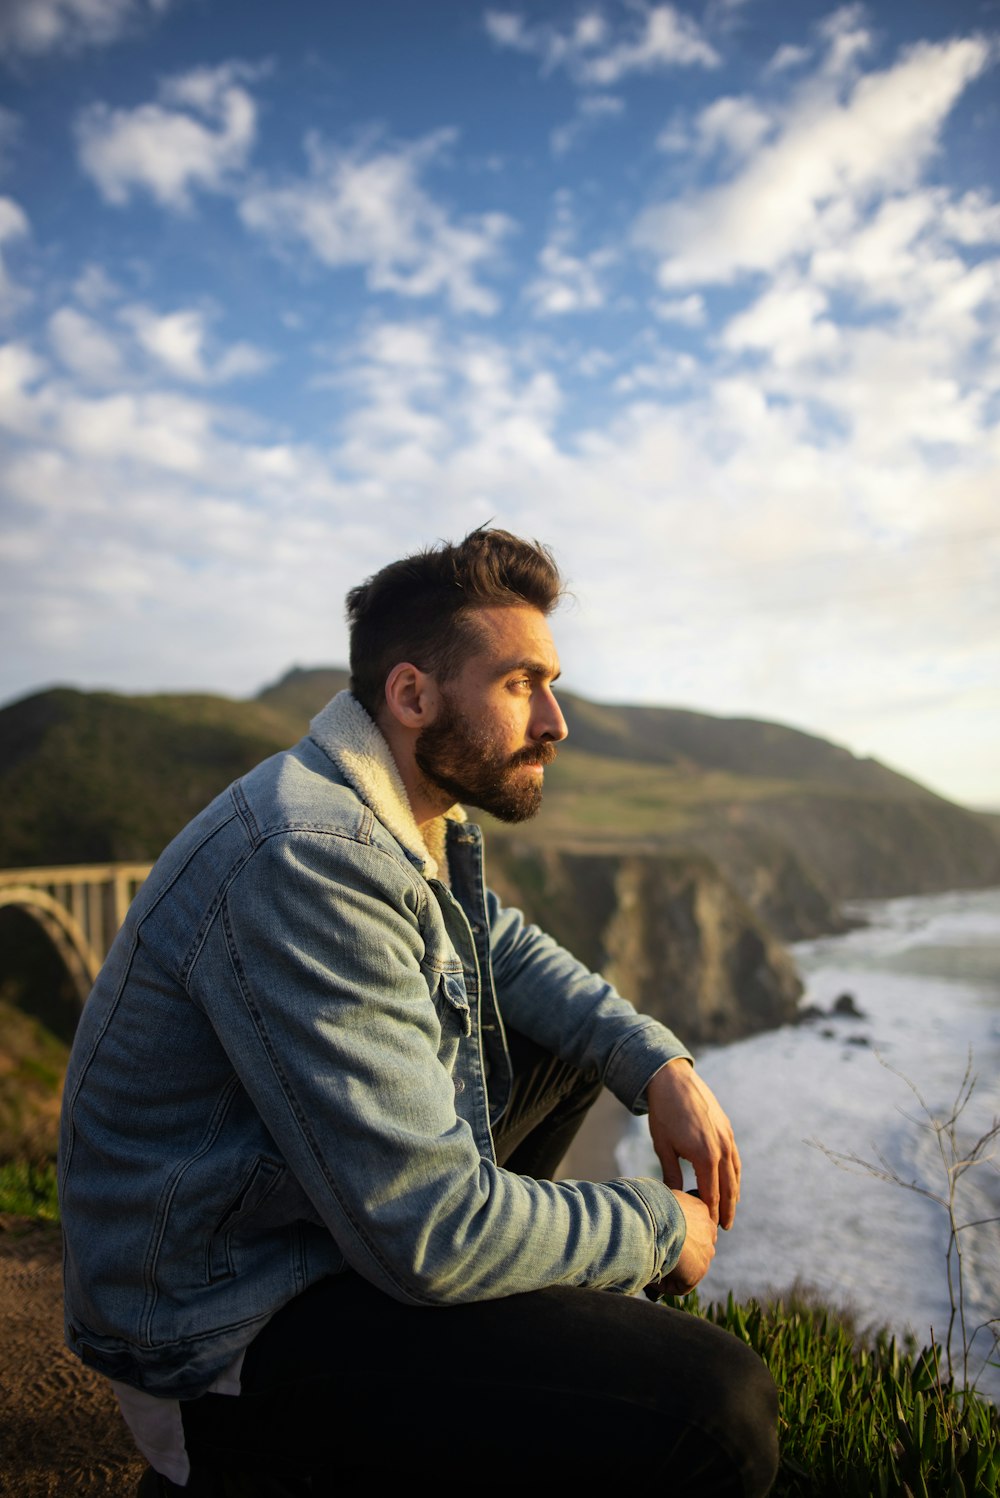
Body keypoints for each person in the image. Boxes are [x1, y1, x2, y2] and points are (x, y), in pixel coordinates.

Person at [59, 528, 779, 1494]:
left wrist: (656, 1065)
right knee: (718, 1407)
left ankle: (488, 1358)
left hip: (309, 1228)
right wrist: (656, 1226)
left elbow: (505, 950)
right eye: (524, 684)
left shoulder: (402, 817)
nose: (558, 721)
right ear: (411, 696)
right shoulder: (311, 856)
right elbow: (430, 1226)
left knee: (568, 1050)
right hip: (220, 1324)